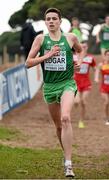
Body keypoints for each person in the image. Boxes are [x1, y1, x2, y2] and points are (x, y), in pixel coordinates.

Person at [25, 8, 83, 178]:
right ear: (45, 22)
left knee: (66, 118)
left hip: (67, 84)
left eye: (54, 19)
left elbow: (80, 50)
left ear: (60, 21)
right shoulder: (40, 39)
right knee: (58, 126)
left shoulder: (70, 38)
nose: (51, 21)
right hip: (50, 86)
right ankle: (66, 155)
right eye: (48, 19)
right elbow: (28, 63)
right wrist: (48, 55)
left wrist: (78, 62)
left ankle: (68, 163)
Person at [73, 41, 96, 128]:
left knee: (83, 101)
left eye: (85, 47)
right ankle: (75, 102)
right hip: (76, 83)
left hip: (86, 83)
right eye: (82, 46)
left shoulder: (90, 58)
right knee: (76, 102)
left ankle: (81, 121)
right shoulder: (74, 57)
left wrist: (96, 76)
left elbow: (95, 68)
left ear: (87, 48)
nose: (83, 48)